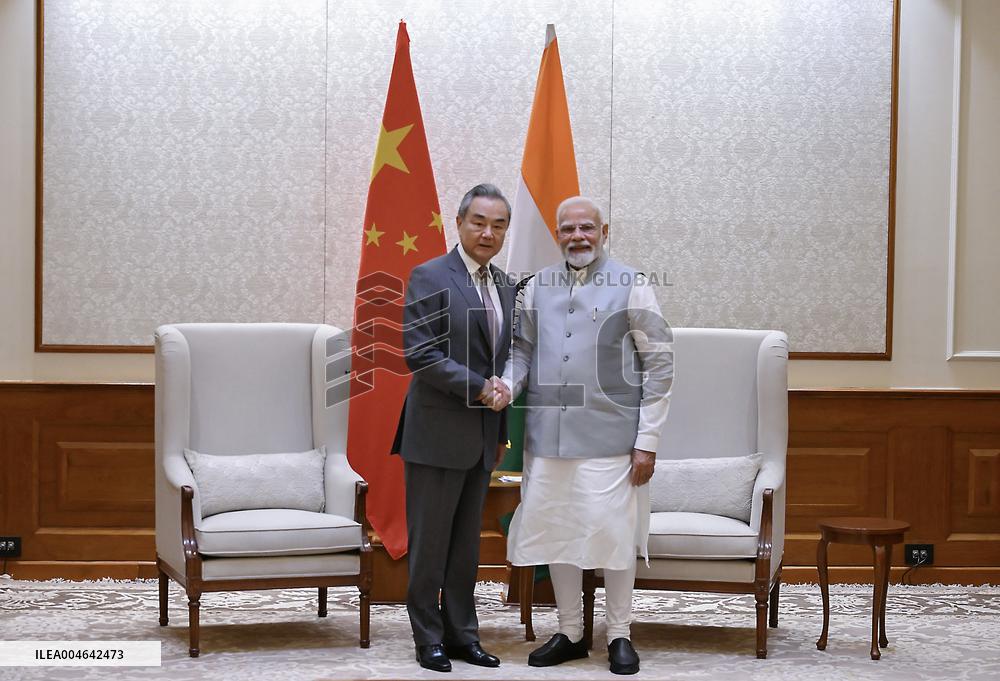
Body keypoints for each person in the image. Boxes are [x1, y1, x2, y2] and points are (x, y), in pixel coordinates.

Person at [496, 196, 673, 675]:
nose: (577, 236)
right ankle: (571, 632)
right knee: (558, 535)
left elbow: (659, 364)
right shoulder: (535, 287)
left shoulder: (633, 284)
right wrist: (506, 385)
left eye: (586, 228)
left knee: (613, 537)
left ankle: (619, 634)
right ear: (557, 234)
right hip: (546, 440)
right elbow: (522, 351)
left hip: (613, 440)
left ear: (604, 230)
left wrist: (648, 441)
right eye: (568, 228)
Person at [391, 183, 515, 673]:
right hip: (436, 435)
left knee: (465, 549)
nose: (488, 232)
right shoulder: (430, 276)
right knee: (430, 546)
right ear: (459, 224)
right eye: (479, 222)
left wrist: (501, 420)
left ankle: (464, 635)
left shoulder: (505, 284)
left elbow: (502, 358)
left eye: (499, 224)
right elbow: (420, 355)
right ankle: (428, 638)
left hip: (483, 438)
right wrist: (481, 388)